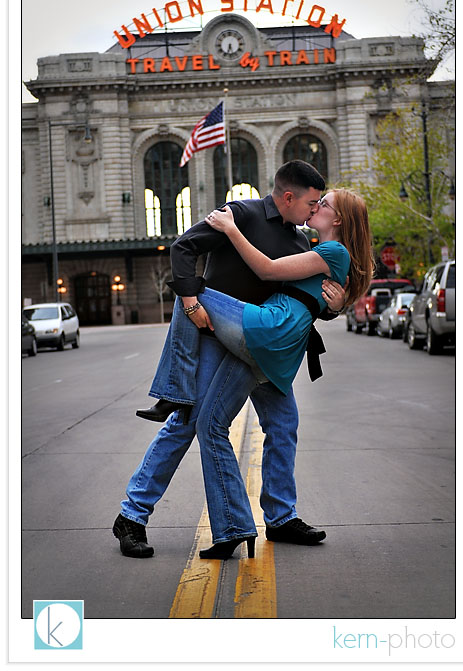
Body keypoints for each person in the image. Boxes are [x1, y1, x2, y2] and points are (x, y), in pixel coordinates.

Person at [113, 160, 347, 559]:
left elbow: (307, 297)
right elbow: (183, 247)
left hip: (262, 346)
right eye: (311, 203)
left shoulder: (300, 242)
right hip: (214, 337)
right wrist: (190, 302)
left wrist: (334, 307)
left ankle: (280, 517)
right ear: (288, 196)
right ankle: (132, 516)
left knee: (284, 424)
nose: (314, 210)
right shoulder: (239, 214)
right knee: (185, 425)